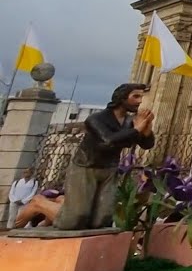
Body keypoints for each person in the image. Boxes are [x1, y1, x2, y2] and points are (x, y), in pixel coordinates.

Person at [54, 83, 154, 230]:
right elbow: (108, 140)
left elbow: (147, 145)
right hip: (86, 166)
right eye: (135, 96)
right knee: (74, 220)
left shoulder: (129, 122)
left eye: (141, 97)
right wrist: (138, 128)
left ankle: (66, 207)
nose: (139, 101)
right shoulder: (96, 119)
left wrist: (147, 128)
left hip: (109, 168)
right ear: (121, 98)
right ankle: (39, 205)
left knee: (102, 220)